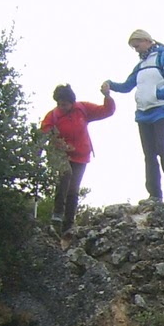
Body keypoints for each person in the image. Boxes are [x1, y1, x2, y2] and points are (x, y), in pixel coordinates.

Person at [105, 28, 164, 203]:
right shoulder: (140, 66)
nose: (137, 50)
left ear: (147, 41)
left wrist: (160, 95)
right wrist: (110, 85)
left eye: (137, 45)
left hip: (163, 109)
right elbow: (127, 85)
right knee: (149, 153)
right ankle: (154, 194)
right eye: (134, 47)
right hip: (143, 113)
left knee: (161, 146)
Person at [38, 83, 115, 234]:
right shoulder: (53, 115)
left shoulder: (82, 109)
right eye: (59, 104)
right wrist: (54, 142)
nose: (62, 107)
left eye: (65, 104)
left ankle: (69, 224)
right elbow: (44, 131)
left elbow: (106, 111)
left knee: (73, 189)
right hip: (61, 154)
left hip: (81, 154)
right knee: (65, 175)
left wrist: (107, 96)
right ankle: (57, 216)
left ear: (71, 102)